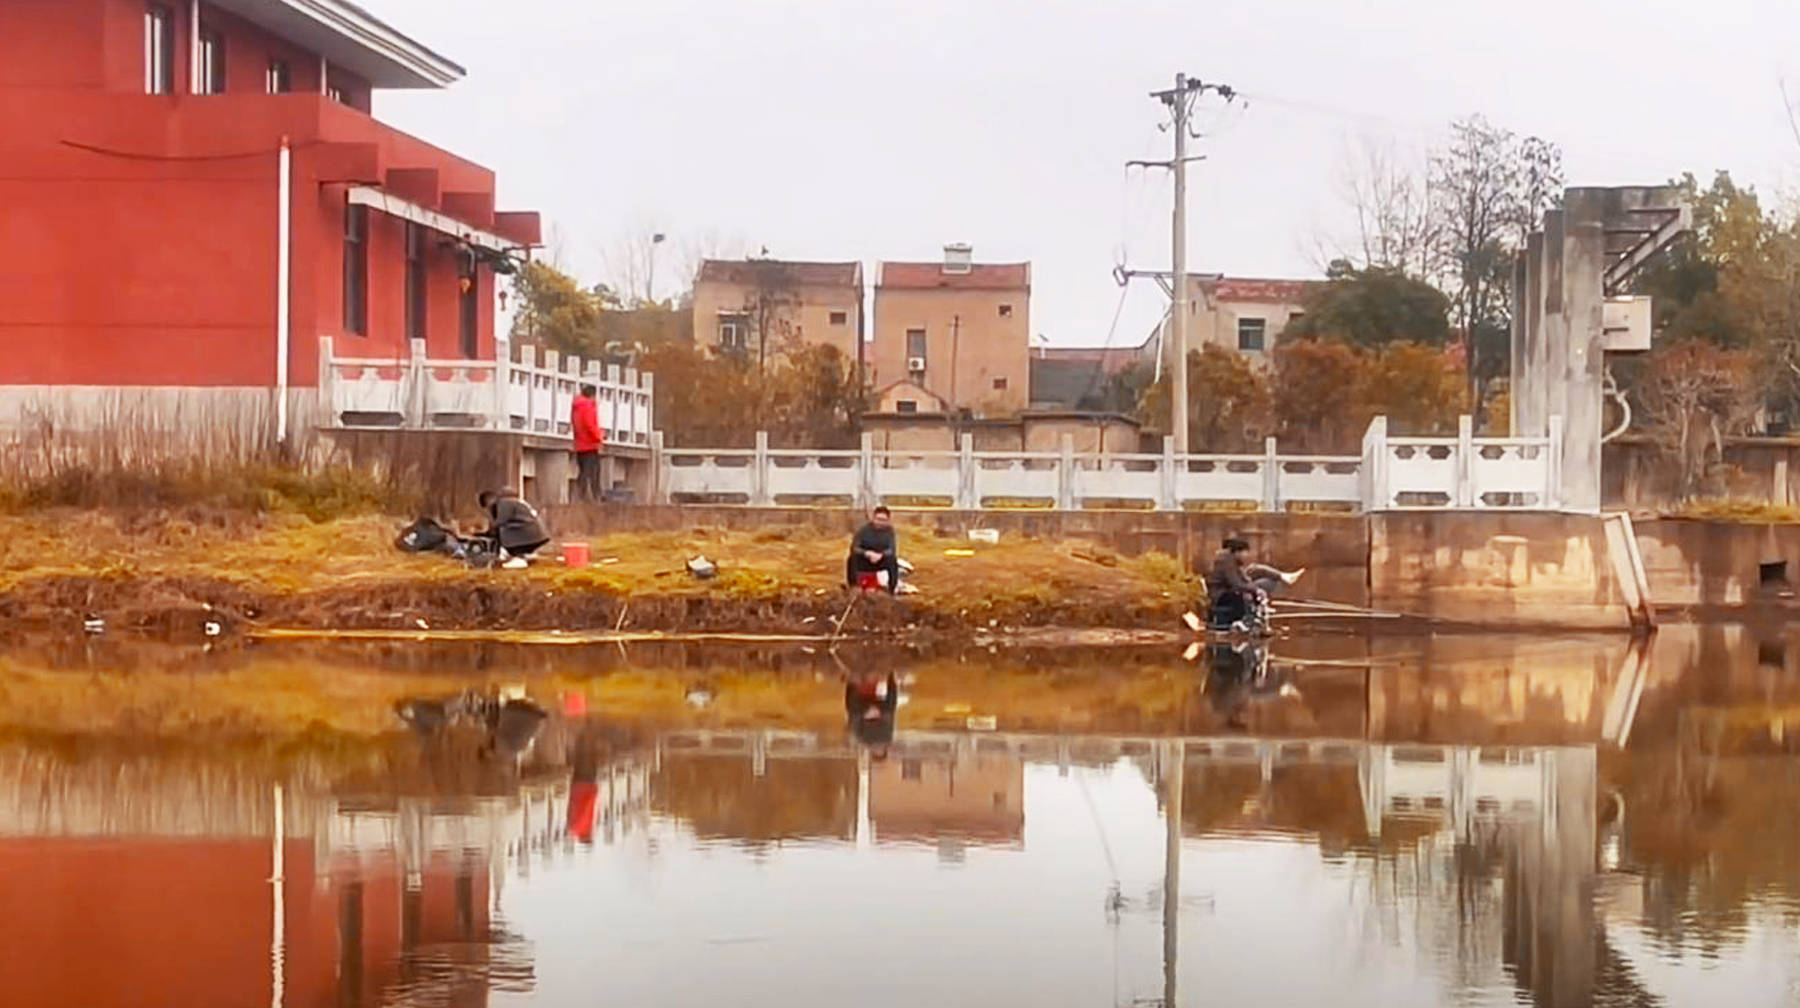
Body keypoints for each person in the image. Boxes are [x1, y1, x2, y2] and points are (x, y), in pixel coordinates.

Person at [1199, 536, 1304, 632]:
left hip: (1230, 589)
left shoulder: (1232, 561)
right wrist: (1256, 590)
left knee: (1256, 569)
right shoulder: (1226, 562)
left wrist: (1251, 585)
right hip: (1222, 595)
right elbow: (1236, 583)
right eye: (1245, 552)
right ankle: (1256, 611)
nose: (1247, 555)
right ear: (1237, 552)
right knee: (1265, 584)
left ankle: (1283, 576)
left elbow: (1241, 579)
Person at [478, 489, 549, 569]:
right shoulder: (511, 502)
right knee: (502, 529)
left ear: (488, 501)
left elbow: (501, 521)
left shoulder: (504, 504)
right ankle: (525, 555)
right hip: (537, 533)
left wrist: (486, 533)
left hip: (530, 532)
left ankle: (519, 558)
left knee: (503, 530)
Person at [845, 505, 900, 594]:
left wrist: (881, 555)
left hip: (881, 560)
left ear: (888, 520)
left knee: (893, 561)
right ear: (873, 518)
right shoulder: (863, 530)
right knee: (852, 559)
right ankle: (853, 587)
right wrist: (867, 553)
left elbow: (892, 549)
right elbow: (855, 547)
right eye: (878, 519)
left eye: (883, 520)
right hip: (865, 560)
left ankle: (891, 590)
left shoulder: (890, 532)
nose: (880, 522)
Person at [845, 670, 899, 757]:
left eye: (876, 751)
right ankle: (891, 676)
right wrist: (879, 713)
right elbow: (890, 720)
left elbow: (854, 722)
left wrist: (865, 714)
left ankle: (852, 681)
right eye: (880, 750)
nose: (878, 748)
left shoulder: (862, 739)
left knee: (853, 710)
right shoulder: (888, 737)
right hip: (880, 711)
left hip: (862, 711)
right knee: (891, 706)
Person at [571, 383, 605, 502]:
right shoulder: (588, 406)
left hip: (579, 444)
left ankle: (581, 496)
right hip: (590, 445)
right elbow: (590, 425)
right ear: (592, 395)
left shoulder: (576, 406)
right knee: (592, 473)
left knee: (583, 471)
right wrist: (599, 437)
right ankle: (595, 497)